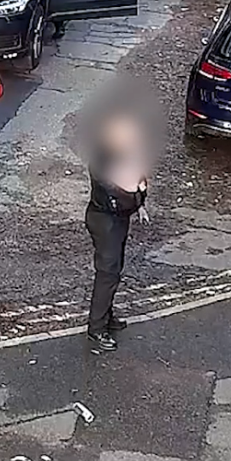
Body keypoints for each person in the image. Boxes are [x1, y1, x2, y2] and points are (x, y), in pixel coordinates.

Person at [85, 111, 150, 353]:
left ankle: (106, 316)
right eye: (128, 136)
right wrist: (137, 190)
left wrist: (139, 195)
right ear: (114, 137)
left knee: (114, 270)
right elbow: (128, 191)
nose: (133, 140)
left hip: (117, 220)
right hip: (106, 221)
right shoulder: (105, 162)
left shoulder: (121, 154)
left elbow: (140, 182)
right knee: (107, 274)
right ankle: (97, 329)